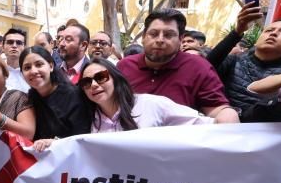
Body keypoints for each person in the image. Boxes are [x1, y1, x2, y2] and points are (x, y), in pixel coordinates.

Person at [117, 8, 239, 123]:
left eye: (169, 35)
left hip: (179, 142)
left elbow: (217, 109)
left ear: (180, 39)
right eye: (153, 34)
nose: (160, 40)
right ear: (143, 37)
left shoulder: (199, 67)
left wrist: (227, 117)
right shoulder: (124, 66)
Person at [78, 57, 214, 133]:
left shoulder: (151, 104)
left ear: (116, 78)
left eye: (101, 77)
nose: (94, 85)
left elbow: (207, 125)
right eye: (86, 82)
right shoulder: (86, 118)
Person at [212, 18, 281, 111]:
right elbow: (205, 68)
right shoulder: (233, 60)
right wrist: (236, 32)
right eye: (268, 30)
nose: (273, 33)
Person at [18, 46, 90, 151]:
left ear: (51, 66)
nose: (33, 71)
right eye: (27, 68)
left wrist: (55, 142)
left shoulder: (73, 95)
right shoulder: (30, 98)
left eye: (39, 64)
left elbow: (82, 138)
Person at [1, 28, 30, 92]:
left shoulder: (32, 73)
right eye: (10, 42)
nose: (14, 46)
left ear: (24, 47)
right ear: (2, 47)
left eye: (19, 43)